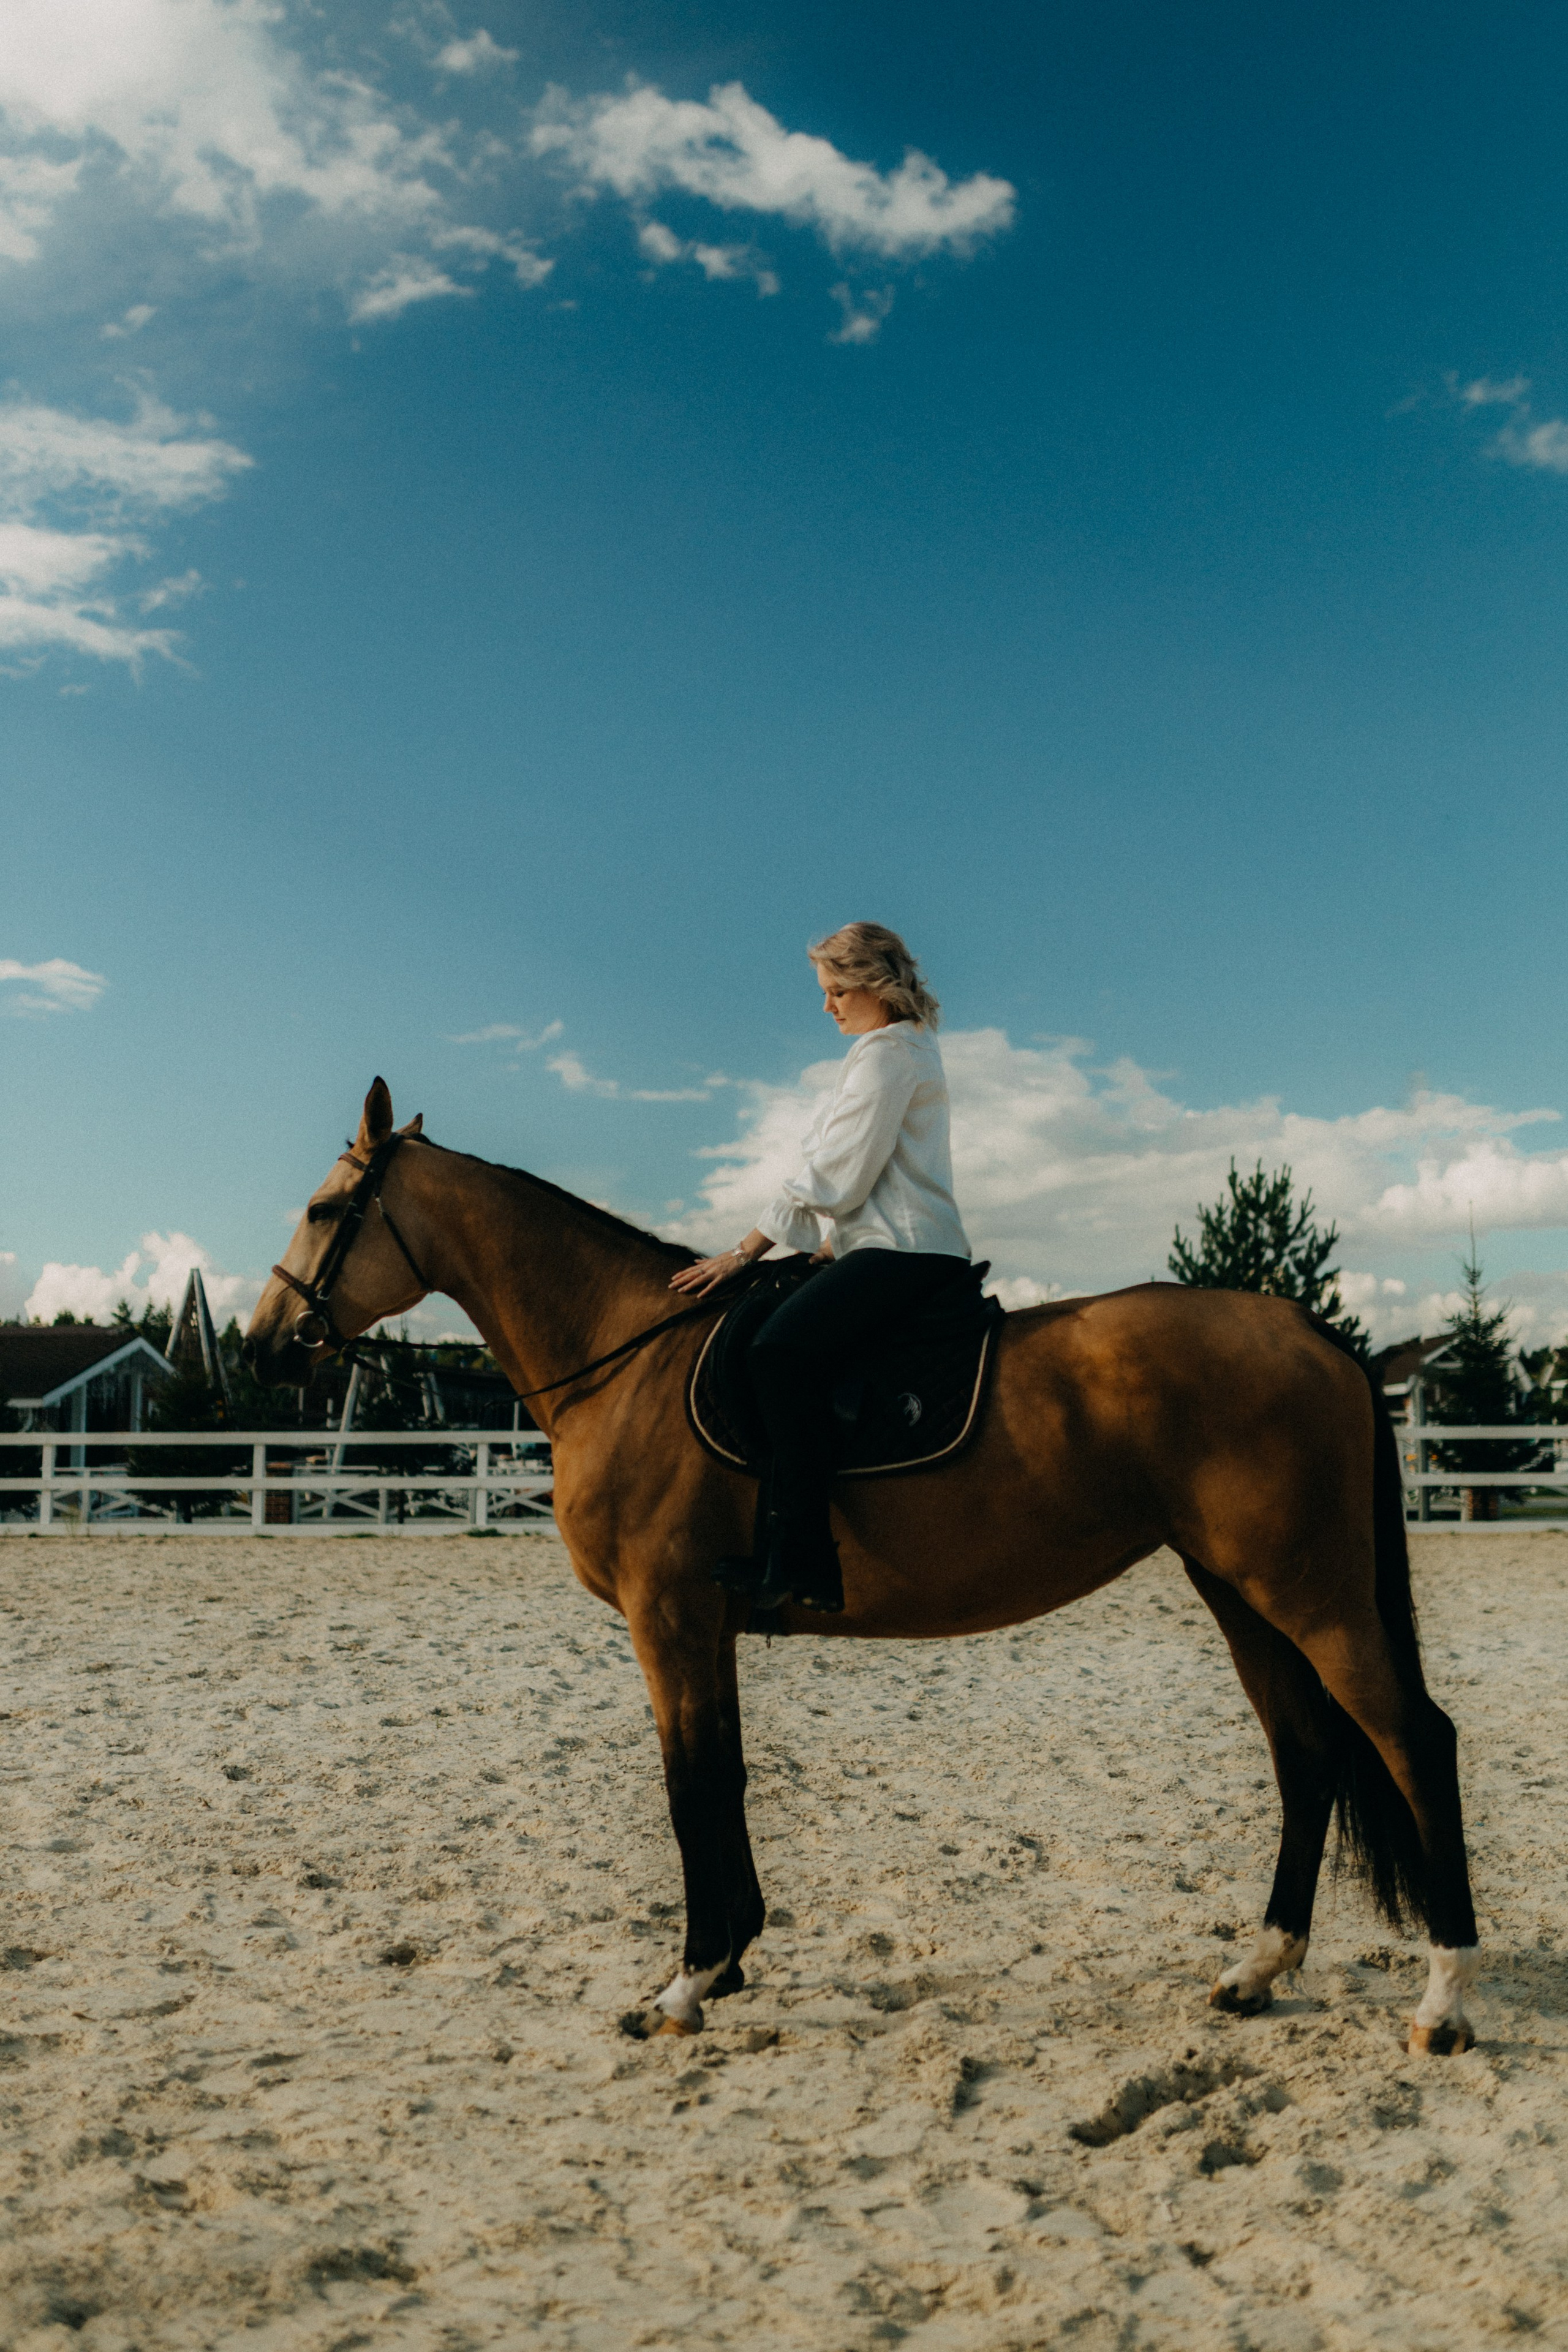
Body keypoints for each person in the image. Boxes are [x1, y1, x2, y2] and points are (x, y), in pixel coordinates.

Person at [670, 922, 971, 1611]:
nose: (827, 1006)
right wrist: (831, 1242)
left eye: (837, 991)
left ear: (877, 988)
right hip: (883, 1241)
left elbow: (837, 1171)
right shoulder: (899, 1051)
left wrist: (745, 1250)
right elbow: (881, 1174)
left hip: (907, 1249)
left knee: (778, 1354)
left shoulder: (885, 1054)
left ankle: (805, 1557)